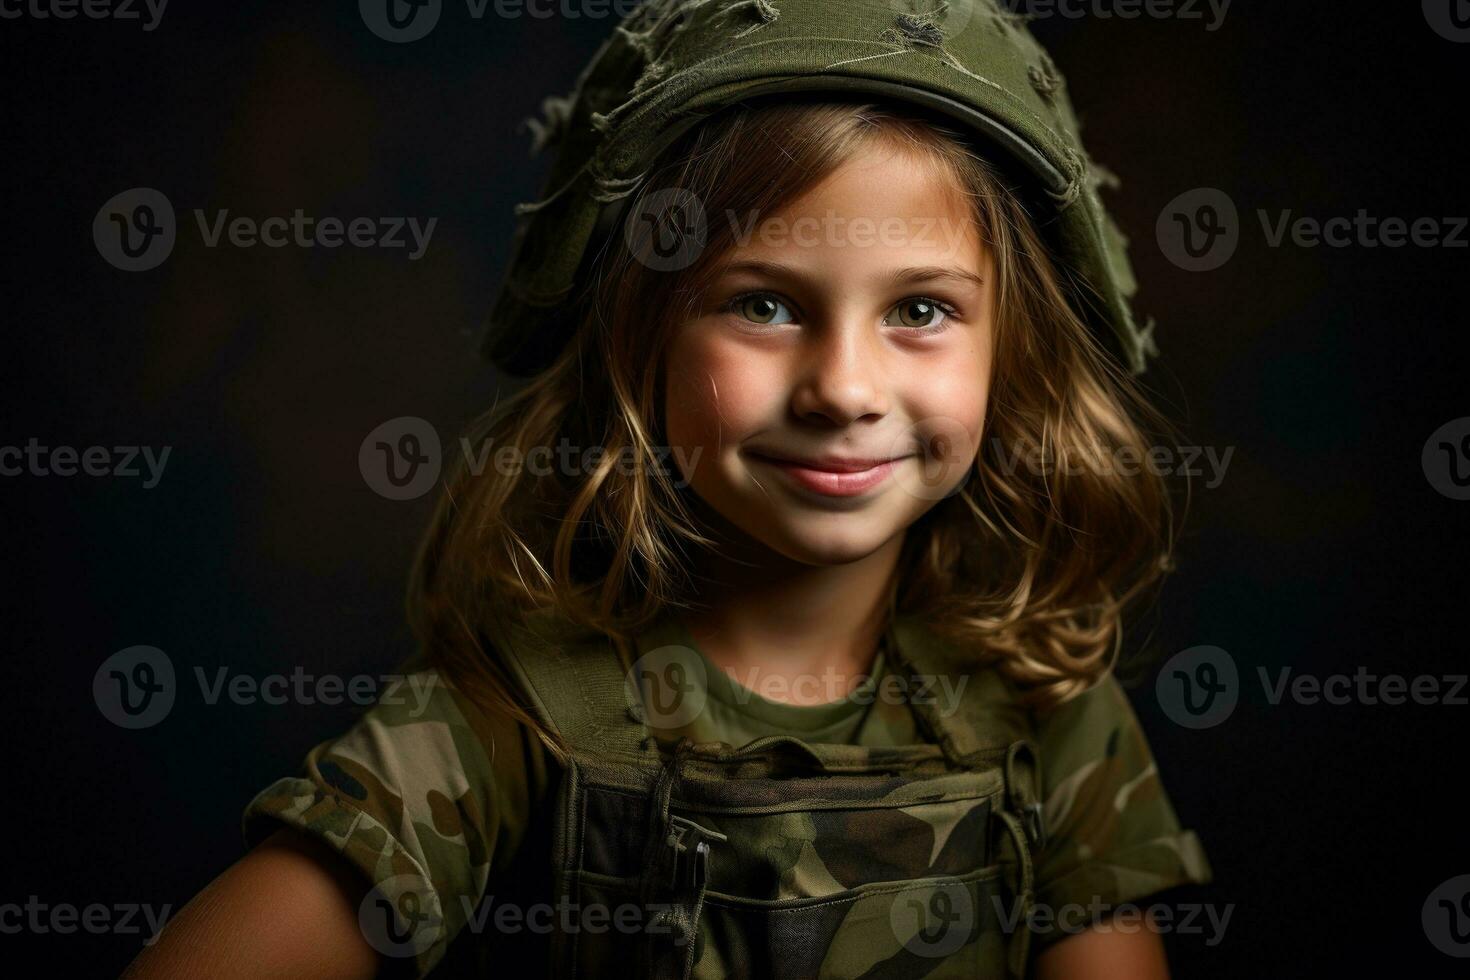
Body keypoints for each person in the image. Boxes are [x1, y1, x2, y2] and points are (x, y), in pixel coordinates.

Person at [123, 1, 1211, 976]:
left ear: (1009, 349)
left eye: (920, 309)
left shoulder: (1044, 699)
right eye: (765, 305)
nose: (843, 387)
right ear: (640, 340)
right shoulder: (527, 705)